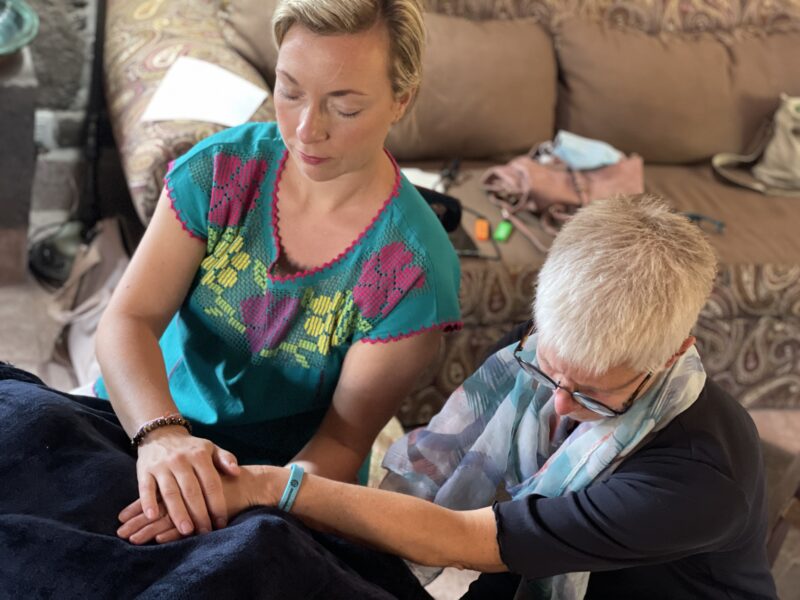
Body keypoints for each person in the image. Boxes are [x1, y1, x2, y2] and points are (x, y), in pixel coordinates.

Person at [118, 195, 777, 599]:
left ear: (673, 352)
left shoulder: (697, 479)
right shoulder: (549, 353)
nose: (558, 406)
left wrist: (273, 486)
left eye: (596, 397)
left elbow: (470, 538)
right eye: (551, 372)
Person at [93, 0, 460, 541]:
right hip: (143, 416)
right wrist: (162, 436)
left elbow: (340, 443)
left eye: (345, 108)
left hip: (277, 482)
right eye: (289, 92)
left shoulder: (413, 274)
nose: (307, 130)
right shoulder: (220, 170)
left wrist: (237, 494)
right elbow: (129, 319)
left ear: (401, 100)